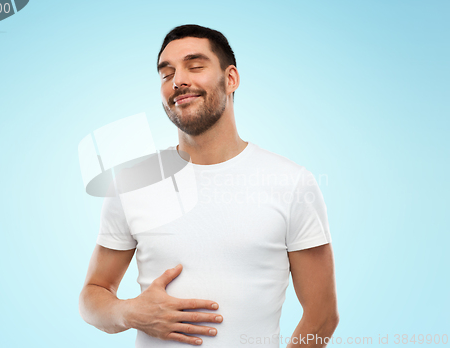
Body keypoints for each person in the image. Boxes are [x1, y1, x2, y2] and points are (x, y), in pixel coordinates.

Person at [79, 24, 339, 347]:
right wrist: (131, 312)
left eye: (195, 65)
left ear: (231, 79)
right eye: (166, 73)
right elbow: (92, 296)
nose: (178, 80)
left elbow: (323, 314)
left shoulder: (292, 183)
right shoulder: (132, 183)